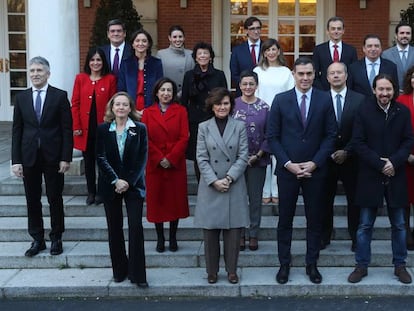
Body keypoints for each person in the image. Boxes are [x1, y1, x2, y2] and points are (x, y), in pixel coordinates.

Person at [267, 57, 337, 285]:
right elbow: (273, 137)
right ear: (294, 75)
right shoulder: (280, 100)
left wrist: (315, 163)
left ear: (314, 75)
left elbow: (330, 136)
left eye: (309, 74)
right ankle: (284, 264)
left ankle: (311, 264)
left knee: (314, 221)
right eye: (301, 74)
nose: (305, 78)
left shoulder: (325, 100)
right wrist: (288, 163)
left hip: (315, 171)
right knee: (285, 220)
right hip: (288, 171)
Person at [348, 74, 414, 284]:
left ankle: (400, 265)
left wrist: (393, 162)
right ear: (374, 90)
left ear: (394, 90)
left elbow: (408, 141)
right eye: (380, 89)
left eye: (388, 89)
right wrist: (380, 164)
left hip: (396, 174)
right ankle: (361, 265)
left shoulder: (402, 111)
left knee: (399, 224)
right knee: (365, 225)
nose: (384, 93)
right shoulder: (364, 110)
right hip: (370, 174)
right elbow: (358, 142)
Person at [11, 56, 73, 257]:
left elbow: (66, 129)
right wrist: (16, 160)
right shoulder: (21, 98)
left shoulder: (59, 96)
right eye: (32, 71)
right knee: (32, 199)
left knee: (55, 198)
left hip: (53, 156)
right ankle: (37, 239)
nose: (35, 74)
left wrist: (66, 157)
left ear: (48, 74)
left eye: (39, 70)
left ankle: (56, 237)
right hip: (29, 157)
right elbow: (17, 130)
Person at [194, 87, 249, 285]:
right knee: (210, 234)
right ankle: (212, 271)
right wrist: (214, 181)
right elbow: (201, 157)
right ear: (212, 106)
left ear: (231, 105)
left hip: (233, 184)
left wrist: (229, 178)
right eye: (218, 104)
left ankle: (232, 271)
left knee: (234, 233)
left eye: (226, 103)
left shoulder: (240, 126)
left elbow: (244, 156)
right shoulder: (203, 127)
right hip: (210, 185)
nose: (222, 107)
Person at [96, 91, 148, 288]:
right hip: (111, 186)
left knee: (135, 228)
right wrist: (116, 180)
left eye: (125, 105)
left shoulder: (140, 129)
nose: (121, 108)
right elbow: (100, 157)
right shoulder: (102, 130)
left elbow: (142, 158)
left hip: (133, 186)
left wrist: (127, 181)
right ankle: (119, 271)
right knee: (114, 228)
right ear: (112, 107)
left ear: (130, 108)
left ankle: (138, 275)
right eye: (117, 104)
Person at [141, 78, 190, 253]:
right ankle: (160, 238)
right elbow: (145, 138)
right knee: (158, 201)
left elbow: (184, 137)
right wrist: (159, 157)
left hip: (175, 163)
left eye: (169, 90)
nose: (166, 94)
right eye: (162, 90)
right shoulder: (148, 112)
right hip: (155, 164)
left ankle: (173, 237)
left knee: (174, 201)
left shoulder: (181, 111)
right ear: (156, 92)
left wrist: (171, 157)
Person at [321, 62, 365, 252]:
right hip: (326, 159)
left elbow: (362, 132)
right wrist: (329, 151)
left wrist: (347, 151)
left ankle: (356, 237)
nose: (336, 76)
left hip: (352, 158)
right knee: (324, 200)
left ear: (346, 76)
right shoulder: (319, 99)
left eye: (339, 72)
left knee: (355, 200)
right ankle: (324, 236)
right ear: (327, 77)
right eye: (332, 73)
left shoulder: (361, 100)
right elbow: (316, 130)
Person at [71, 47, 117, 205]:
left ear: (103, 62)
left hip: (104, 128)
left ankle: (103, 192)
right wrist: (76, 125)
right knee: (89, 161)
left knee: (104, 161)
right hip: (85, 129)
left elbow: (113, 104)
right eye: (92, 60)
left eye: (98, 60)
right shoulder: (80, 78)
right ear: (88, 62)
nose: (95, 63)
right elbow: (75, 104)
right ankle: (91, 191)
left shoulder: (110, 79)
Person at [253, 38, 295, 204]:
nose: (271, 53)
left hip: (281, 115)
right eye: (267, 50)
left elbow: (290, 93)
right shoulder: (257, 70)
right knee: (263, 154)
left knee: (278, 154)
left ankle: (276, 189)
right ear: (263, 53)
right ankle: (265, 190)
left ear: (279, 51)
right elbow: (253, 91)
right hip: (261, 115)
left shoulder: (286, 72)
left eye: (274, 49)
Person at [232, 70, 270, 251]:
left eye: (251, 84)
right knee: (238, 199)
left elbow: (270, 134)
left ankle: (253, 234)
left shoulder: (264, 107)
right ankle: (239, 234)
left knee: (255, 199)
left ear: (256, 86)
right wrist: (240, 156)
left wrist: (259, 154)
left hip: (258, 160)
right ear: (239, 86)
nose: (248, 87)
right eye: (244, 84)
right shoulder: (232, 105)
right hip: (235, 161)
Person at [181, 42, 227, 180]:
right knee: (198, 155)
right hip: (194, 121)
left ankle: (216, 181)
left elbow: (225, 98)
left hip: (214, 119)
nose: (202, 56)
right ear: (195, 57)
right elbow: (184, 100)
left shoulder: (219, 75)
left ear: (211, 56)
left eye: (205, 53)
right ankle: (202, 182)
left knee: (216, 152)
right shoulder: (189, 75)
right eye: (199, 54)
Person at [118, 28, 163, 119]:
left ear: (148, 44)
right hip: (129, 108)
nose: (140, 44)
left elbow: (160, 87)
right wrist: (131, 109)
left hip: (152, 107)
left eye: (144, 41)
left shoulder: (156, 63)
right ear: (133, 44)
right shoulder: (125, 63)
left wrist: (150, 109)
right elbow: (121, 88)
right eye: (137, 41)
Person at [395, 66, 414, 250]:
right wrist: (405, 154)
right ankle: (406, 233)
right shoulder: (401, 100)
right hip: (406, 158)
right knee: (405, 199)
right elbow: (396, 131)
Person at [312, 16, 358, 91]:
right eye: (333, 29)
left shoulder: (351, 50)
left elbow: (353, 74)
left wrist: (348, 90)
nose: (336, 31)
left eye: (339, 29)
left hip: (345, 92)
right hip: (324, 92)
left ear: (343, 31)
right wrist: (321, 91)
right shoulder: (319, 50)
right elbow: (315, 74)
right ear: (327, 31)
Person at [156, 25, 194, 97]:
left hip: (187, 95)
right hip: (167, 95)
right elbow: (159, 78)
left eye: (180, 37)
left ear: (184, 38)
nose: (178, 39)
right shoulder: (161, 54)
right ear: (169, 38)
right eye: (174, 37)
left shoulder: (191, 54)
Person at [230, 16, 262, 96]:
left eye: (258, 28)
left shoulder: (267, 49)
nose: (256, 31)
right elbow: (234, 74)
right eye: (252, 29)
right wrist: (247, 87)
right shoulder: (237, 51)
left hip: (263, 92)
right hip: (243, 94)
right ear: (246, 31)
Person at [382, 22, 414, 92]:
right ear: (396, 35)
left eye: (408, 33)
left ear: (411, 36)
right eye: (402, 33)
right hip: (393, 95)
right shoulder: (386, 54)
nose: (405, 35)